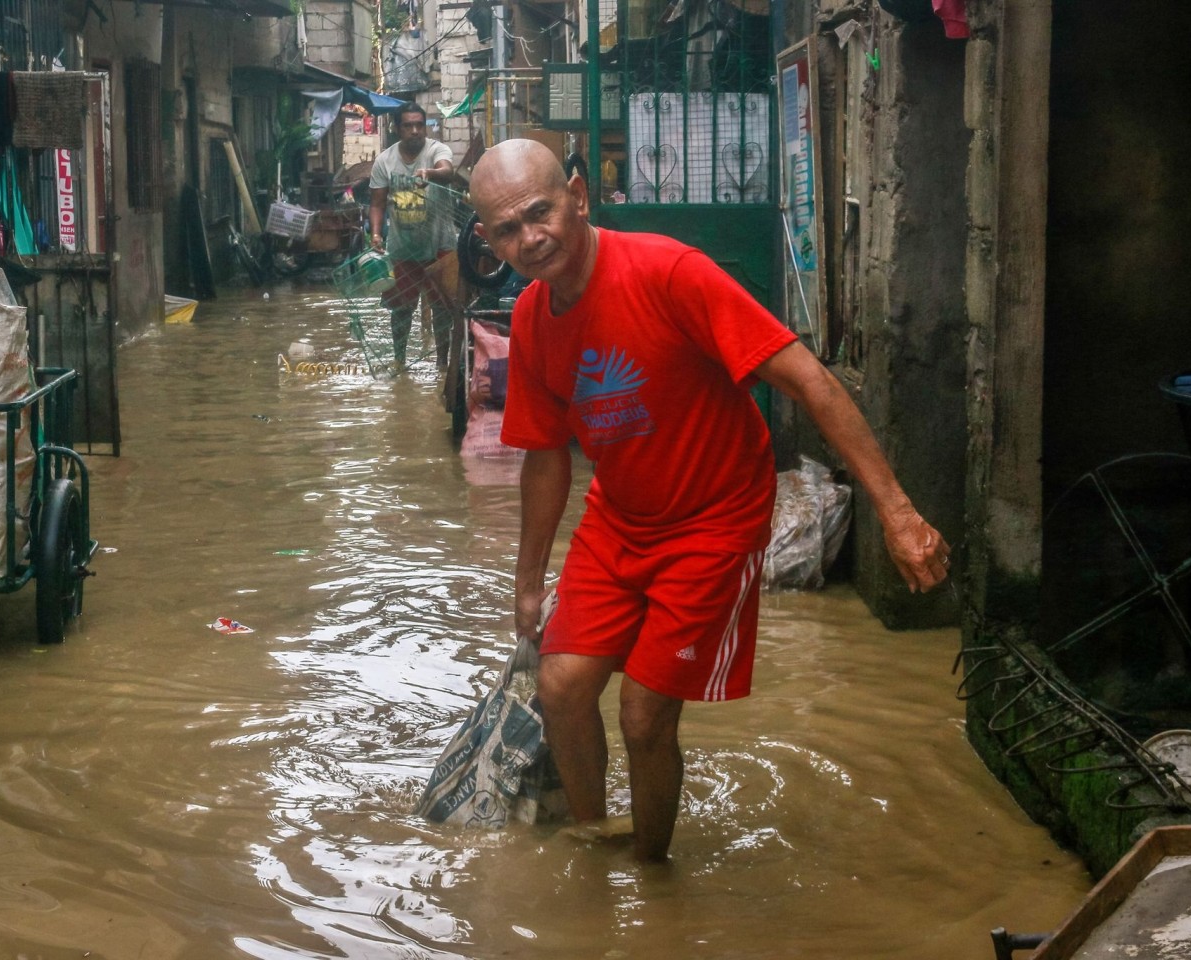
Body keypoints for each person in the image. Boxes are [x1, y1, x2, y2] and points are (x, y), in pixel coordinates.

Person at [469, 139, 953, 863]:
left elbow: (811, 382)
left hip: (714, 522)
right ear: (486, 241)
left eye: (539, 213)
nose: (530, 239)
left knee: (641, 717)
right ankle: (596, 848)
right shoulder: (534, 319)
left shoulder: (668, 271)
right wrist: (529, 580)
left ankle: (651, 873)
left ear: (577, 195)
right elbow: (545, 455)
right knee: (563, 686)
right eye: (507, 230)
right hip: (619, 516)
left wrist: (899, 511)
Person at [368, 103, 456, 367]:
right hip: (402, 247)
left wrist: (430, 173)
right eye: (408, 125)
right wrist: (375, 235)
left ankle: (442, 364)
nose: (415, 131)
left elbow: (448, 171)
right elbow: (377, 203)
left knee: (442, 308)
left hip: (440, 244)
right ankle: (399, 361)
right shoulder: (385, 161)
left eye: (420, 125)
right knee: (401, 308)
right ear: (397, 129)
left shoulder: (436, 150)